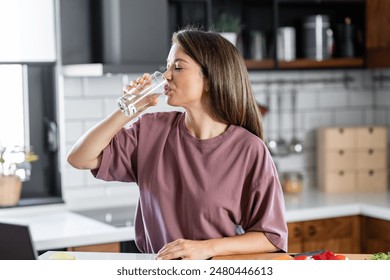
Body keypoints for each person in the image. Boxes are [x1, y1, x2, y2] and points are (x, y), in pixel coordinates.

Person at [67, 28, 288, 260]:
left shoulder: (248, 149)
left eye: (178, 67)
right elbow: (79, 158)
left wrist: (206, 248)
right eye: (167, 66)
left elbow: (271, 236)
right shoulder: (150, 130)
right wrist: (128, 109)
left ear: (210, 80)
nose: (166, 76)